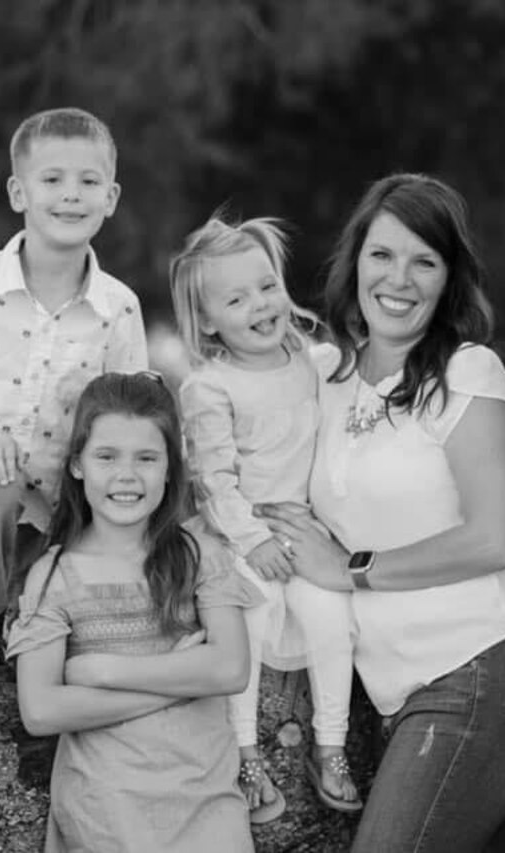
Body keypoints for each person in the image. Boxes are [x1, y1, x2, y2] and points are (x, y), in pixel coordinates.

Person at [259, 173, 505, 853]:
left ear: (449, 279)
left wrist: (353, 571)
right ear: (355, 261)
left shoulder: (467, 373)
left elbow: (493, 538)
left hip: (484, 667)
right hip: (400, 692)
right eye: (383, 255)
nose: (400, 278)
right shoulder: (322, 378)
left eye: (425, 260)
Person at [0, 107, 148, 682]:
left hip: (60, 495)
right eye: (52, 180)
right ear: (19, 192)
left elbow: (131, 415)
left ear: (111, 197)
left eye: (89, 182)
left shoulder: (119, 307)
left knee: (42, 642)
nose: (71, 195)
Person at [7, 371, 260, 852]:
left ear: (170, 467)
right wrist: (182, 685)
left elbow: (229, 668)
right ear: (78, 464)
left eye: (147, 458)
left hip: (207, 802)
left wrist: (102, 670)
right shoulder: (56, 575)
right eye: (106, 456)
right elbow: (41, 710)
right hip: (108, 808)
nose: (127, 475)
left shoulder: (198, 555)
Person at [169, 214, 361, 821]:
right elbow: (212, 480)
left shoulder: (318, 362)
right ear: (206, 320)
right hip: (238, 536)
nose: (260, 304)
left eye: (267, 286)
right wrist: (252, 540)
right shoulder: (210, 386)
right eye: (236, 298)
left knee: (333, 619)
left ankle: (330, 745)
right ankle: (246, 755)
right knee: (245, 627)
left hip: (307, 533)